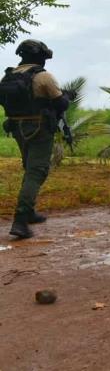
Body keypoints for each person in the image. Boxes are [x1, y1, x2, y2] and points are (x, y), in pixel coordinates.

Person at [1, 40, 70, 239]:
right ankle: (20, 220)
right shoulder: (43, 76)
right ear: (40, 57)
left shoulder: (9, 76)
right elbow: (62, 104)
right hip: (38, 128)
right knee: (37, 171)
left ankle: (29, 212)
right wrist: (66, 96)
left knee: (30, 168)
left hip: (16, 128)